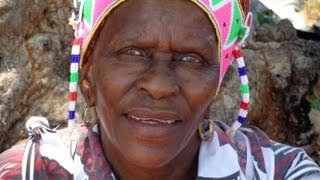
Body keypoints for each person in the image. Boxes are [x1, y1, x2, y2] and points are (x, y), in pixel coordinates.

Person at [0, 0, 319, 179]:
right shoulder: (31, 171)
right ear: (89, 79)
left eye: (191, 59)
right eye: (132, 52)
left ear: (215, 86)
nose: (159, 85)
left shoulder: (276, 171)